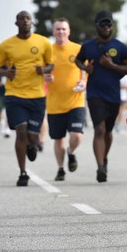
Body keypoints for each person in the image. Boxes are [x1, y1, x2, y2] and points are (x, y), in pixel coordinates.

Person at [0, 10, 54, 186]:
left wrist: (44, 70)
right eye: (22, 19)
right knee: (21, 130)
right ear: (16, 23)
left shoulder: (43, 42)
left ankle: (31, 145)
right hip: (14, 95)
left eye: (28, 19)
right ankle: (23, 173)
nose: (25, 21)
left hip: (37, 96)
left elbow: (51, 64)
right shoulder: (6, 45)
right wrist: (6, 73)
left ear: (32, 23)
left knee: (32, 137)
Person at [75, 10, 127, 183]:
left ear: (112, 26)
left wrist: (111, 65)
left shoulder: (121, 47)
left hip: (114, 95)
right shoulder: (88, 46)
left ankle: (104, 158)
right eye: (103, 24)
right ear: (97, 26)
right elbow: (78, 60)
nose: (106, 27)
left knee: (108, 131)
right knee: (99, 129)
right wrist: (86, 68)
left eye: (109, 24)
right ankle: (100, 167)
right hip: (94, 94)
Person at [45, 18, 86, 181]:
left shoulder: (78, 49)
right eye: (58, 29)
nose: (61, 32)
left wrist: (84, 82)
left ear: (68, 31)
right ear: (53, 32)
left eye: (63, 29)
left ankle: (71, 152)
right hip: (54, 103)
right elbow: (40, 71)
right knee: (58, 139)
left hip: (76, 100)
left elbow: (87, 69)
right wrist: (44, 76)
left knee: (76, 135)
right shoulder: (48, 50)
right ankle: (61, 168)